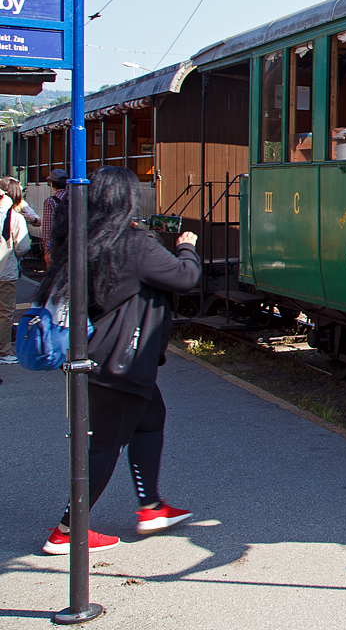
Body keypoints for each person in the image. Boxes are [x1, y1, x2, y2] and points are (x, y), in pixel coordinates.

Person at [39, 166, 203, 555]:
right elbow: (184, 277)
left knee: (150, 421)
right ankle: (67, 531)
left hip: (102, 357)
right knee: (104, 447)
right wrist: (186, 245)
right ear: (125, 198)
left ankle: (151, 507)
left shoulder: (84, 238)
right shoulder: (133, 243)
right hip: (121, 363)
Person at [0, 180, 30, 365]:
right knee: (4, 312)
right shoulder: (15, 217)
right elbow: (24, 245)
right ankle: (3, 350)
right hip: (5, 272)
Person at [41, 168, 67, 269]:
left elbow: (48, 229)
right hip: (74, 243)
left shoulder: (50, 201)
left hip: (58, 246)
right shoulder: (76, 197)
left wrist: (48, 251)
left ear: (51, 184)